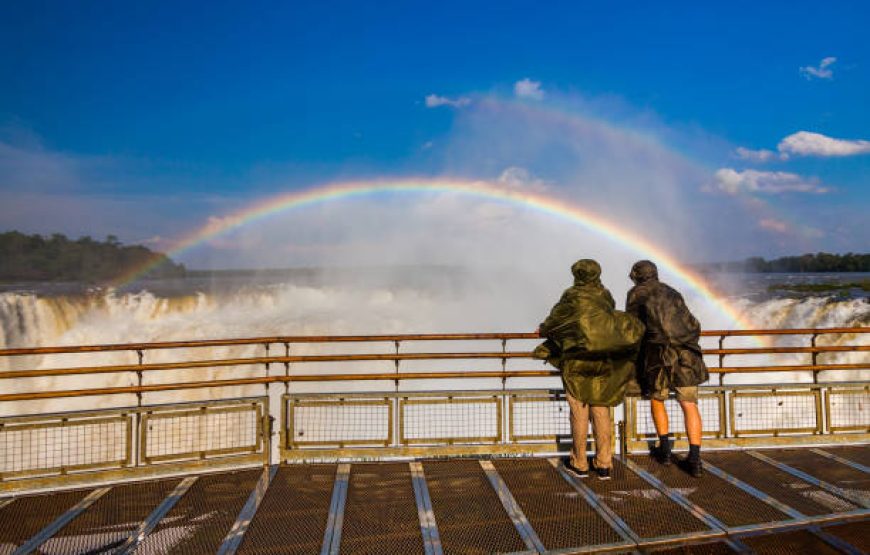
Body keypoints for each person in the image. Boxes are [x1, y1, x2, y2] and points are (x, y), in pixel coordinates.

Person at [534, 259, 644, 480]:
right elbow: (607, 320)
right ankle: (604, 463)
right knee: (601, 410)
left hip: (577, 363)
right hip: (603, 362)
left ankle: (579, 461)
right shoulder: (605, 294)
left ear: (576, 274)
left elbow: (555, 321)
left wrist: (543, 329)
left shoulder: (571, 295)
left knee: (579, 412)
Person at [626, 260, 709, 477]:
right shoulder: (672, 292)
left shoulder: (636, 293)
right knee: (689, 404)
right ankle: (695, 459)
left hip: (658, 357)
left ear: (636, 275)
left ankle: (664, 450)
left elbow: (632, 328)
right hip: (686, 356)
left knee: (657, 399)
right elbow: (692, 323)